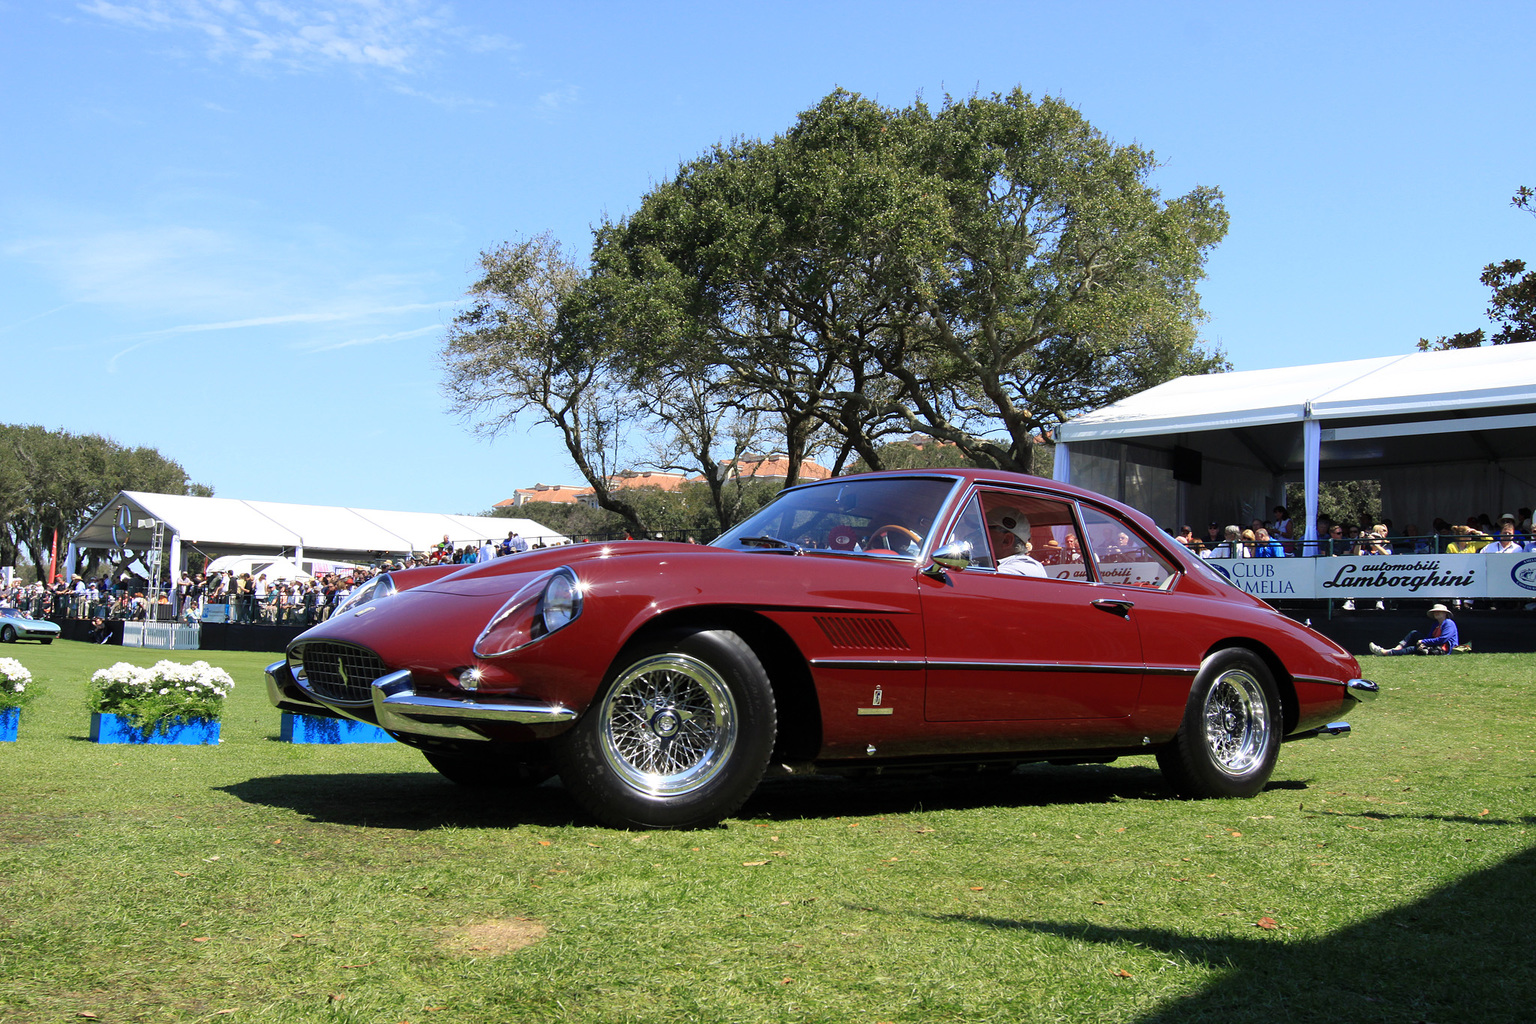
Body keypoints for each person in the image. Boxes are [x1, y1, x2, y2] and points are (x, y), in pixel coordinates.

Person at [1368, 604, 1459, 656]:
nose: (1436, 613)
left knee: (1412, 648)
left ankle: (1385, 652)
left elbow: (1443, 639)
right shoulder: (1436, 624)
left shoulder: (1448, 623)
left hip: (1443, 649)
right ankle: (1398, 648)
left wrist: (1424, 641)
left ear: (1445, 613)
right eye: (1435, 612)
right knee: (1414, 633)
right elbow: (1430, 637)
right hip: (1435, 645)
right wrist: (1424, 643)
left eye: (1439, 611)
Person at [987, 506, 1046, 577]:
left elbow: (985, 579)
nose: (975, 535)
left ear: (1007, 540)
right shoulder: (992, 564)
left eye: (983, 530)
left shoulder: (1025, 567)